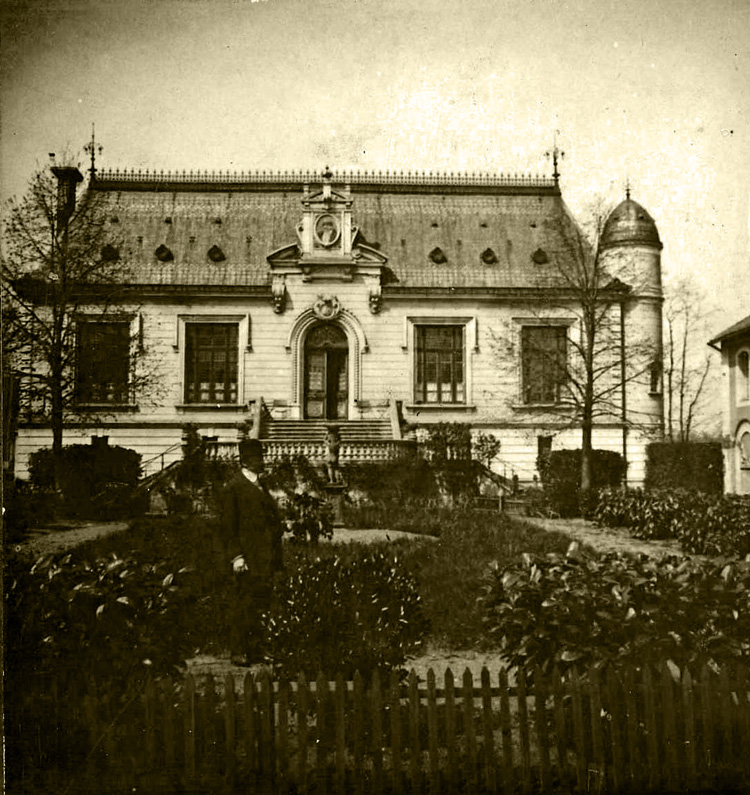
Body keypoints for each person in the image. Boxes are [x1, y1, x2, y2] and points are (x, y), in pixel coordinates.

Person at [219, 439, 284, 666]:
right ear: (246, 460)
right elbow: (228, 527)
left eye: (262, 456)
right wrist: (236, 557)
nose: (262, 460)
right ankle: (238, 651)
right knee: (242, 605)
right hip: (247, 557)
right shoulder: (234, 488)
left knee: (261, 604)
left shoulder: (260, 485)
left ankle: (257, 649)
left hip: (265, 557)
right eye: (258, 457)